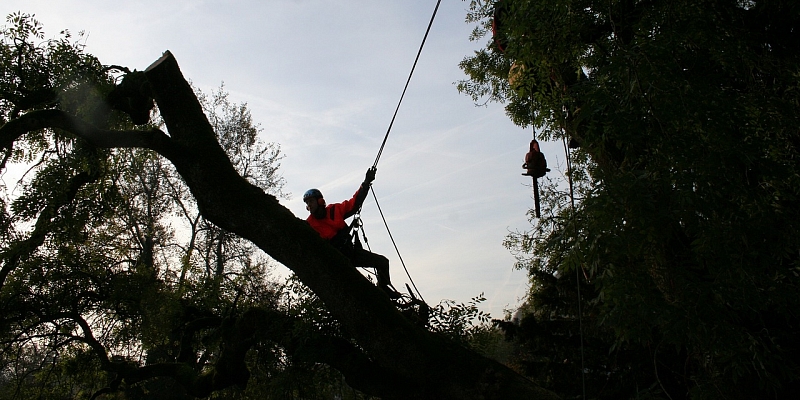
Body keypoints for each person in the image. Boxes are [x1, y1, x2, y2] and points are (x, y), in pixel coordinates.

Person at [303, 167, 401, 299]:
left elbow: (354, 203)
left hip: (351, 252)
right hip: (336, 260)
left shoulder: (334, 210)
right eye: (308, 203)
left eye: (311, 201)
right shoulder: (308, 225)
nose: (310, 205)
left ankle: (384, 288)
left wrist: (366, 183)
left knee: (382, 262)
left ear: (320, 201)